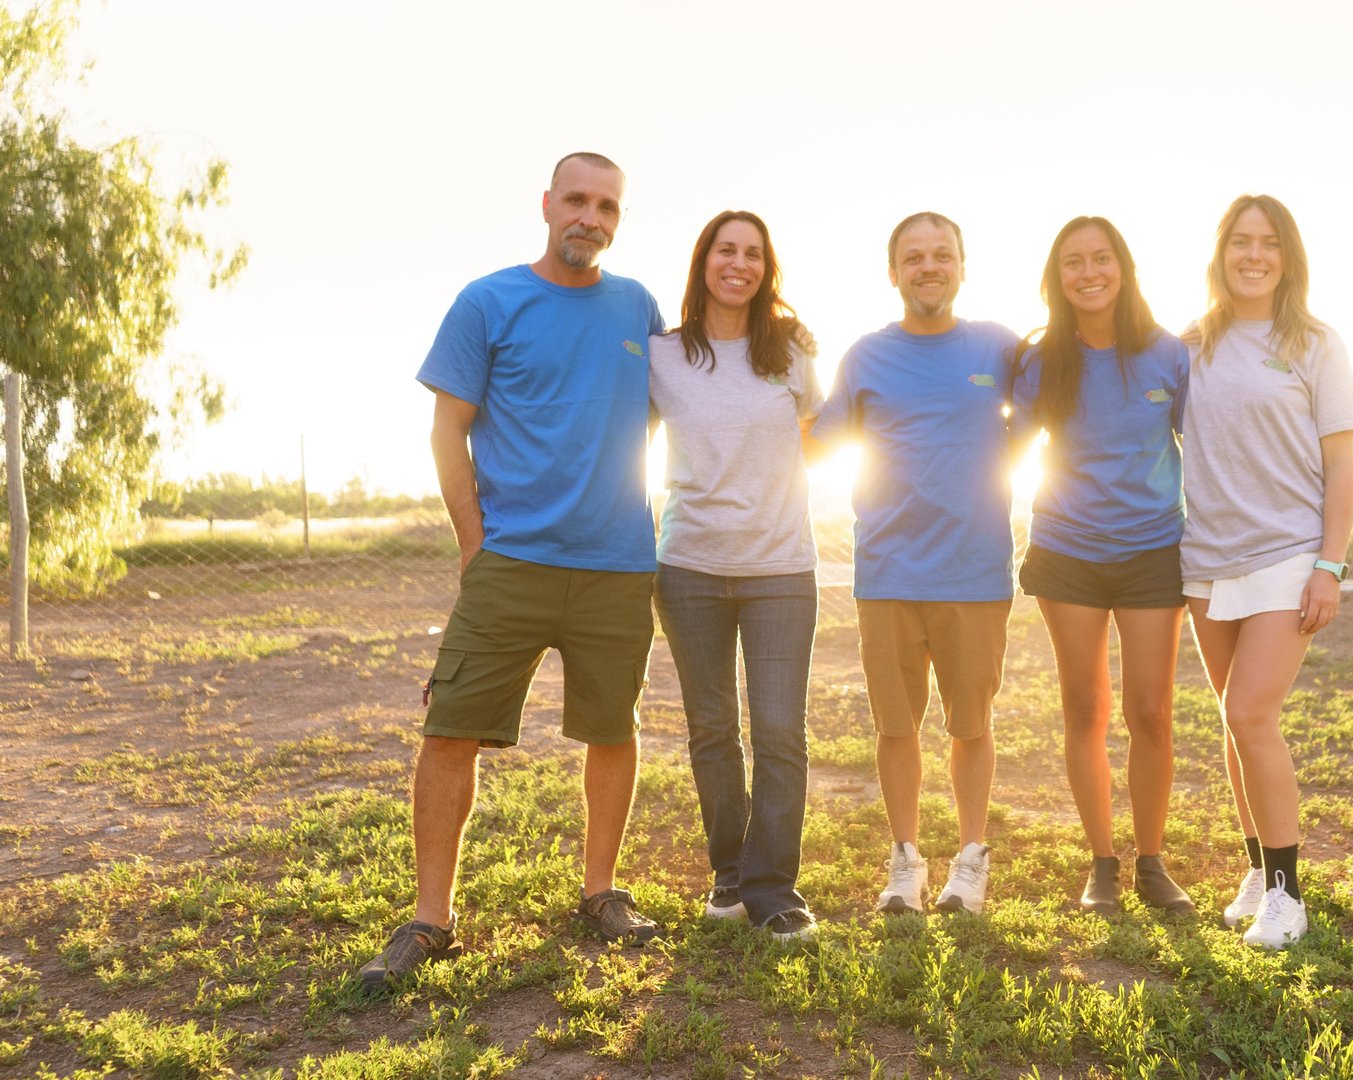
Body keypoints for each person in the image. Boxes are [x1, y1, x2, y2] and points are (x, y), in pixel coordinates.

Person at [358, 152, 666, 993]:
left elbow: (690, 402)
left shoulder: (639, 308)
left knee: (614, 729)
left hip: (617, 565)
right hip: (510, 562)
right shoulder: (488, 301)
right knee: (450, 728)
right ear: (547, 204)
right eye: (577, 200)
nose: (591, 217)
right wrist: (474, 544)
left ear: (618, 220)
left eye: (607, 206)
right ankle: (431, 919)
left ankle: (600, 893)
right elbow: (447, 432)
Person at [811, 211, 1021, 916]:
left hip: (975, 572)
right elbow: (816, 441)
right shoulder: (865, 356)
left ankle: (970, 859)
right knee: (895, 727)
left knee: (971, 726)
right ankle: (905, 861)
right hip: (889, 574)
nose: (929, 266)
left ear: (962, 265)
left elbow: (1059, 402)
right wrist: (781, 368)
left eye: (941, 254)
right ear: (893, 272)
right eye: (914, 257)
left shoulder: (1000, 348)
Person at [1180, 194, 1353, 949]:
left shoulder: (1315, 343)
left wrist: (1330, 565)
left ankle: (1289, 896)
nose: (1253, 255)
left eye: (1268, 243)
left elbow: (1341, 465)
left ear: (1287, 258)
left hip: (1289, 555)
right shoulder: (1189, 346)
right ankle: (1257, 871)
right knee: (1234, 719)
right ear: (1221, 252)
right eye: (1240, 241)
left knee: (1251, 714)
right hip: (1205, 562)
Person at [1010, 217, 1194, 916]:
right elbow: (1000, 445)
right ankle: (1103, 865)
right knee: (1086, 707)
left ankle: (1152, 862)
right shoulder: (1039, 362)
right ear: (1056, 278)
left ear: (1123, 268)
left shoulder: (1168, 355)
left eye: (1101, 258)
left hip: (1153, 551)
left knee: (1151, 711)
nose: (1088, 273)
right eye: (1073, 262)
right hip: (1068, 552)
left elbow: (1211, 445)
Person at [647, 211, 822, 943]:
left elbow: (817, 436)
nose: (739, 264)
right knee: (712, 728)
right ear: (704, 261)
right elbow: (623, 437)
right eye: (727, 250)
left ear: (765, 269)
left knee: (780, 731)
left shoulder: (791, 351)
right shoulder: (661, 355)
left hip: (781, 568)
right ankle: (729, 870)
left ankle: (773, 887)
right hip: (689, 566)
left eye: (753, 253)